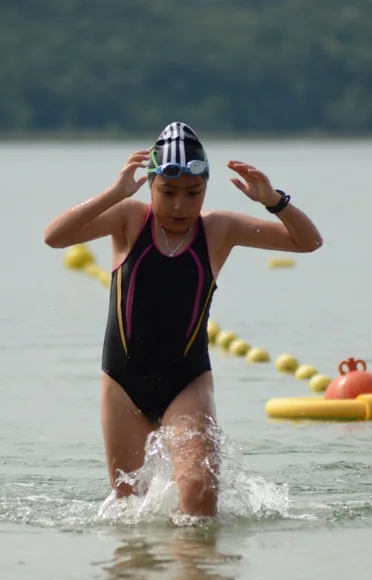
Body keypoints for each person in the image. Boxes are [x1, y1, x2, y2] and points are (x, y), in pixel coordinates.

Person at [43, 122, 324, 517]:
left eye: (193, 193)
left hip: (186, 382)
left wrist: (274, 201)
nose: (179, 206)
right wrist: (115, 193)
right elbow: (54, 237)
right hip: (123, 385)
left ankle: (196, 571)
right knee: (129, 508)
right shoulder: (127, 218)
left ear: (205, 188)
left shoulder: (218, 230)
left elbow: (308, 242)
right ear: (151, 183)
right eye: (168, 192)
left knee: (199, 494)